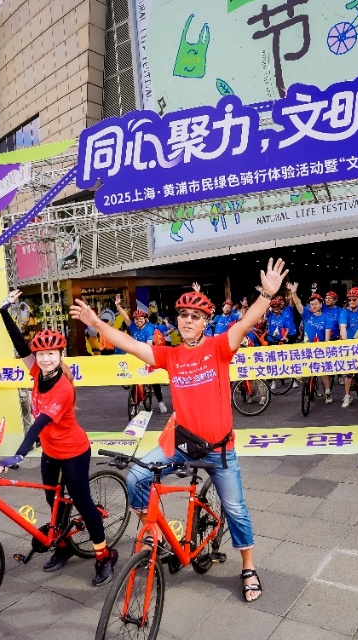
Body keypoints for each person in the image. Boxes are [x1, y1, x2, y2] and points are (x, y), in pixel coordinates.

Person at [70, 258, 291, 603]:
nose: (188, 320)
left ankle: (248, 566)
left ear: (205, 322)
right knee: (135, 478)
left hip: (219, 450)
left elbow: (247, 322)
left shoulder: (218, 348)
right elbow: (130, 344)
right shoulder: (170, 356)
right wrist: (97, 322)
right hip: (181, 444)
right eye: (183, 315)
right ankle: (155, 533)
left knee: (235, 510)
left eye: (195, 316)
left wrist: (266, 294)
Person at [0, 289, 118, 584]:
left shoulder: (63, 388)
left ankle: (104, 555)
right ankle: (63, 547)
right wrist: (4, 312)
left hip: (74, 450)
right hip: (51, 450)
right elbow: (20, 345)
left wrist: (19, 453)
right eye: (41, 354)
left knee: (82, 502)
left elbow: (38, 423)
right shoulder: (36, 372)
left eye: (51, 353)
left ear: (61, 355)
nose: (45, 358)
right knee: (54, 502)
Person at [115, 296, 169, 414]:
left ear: (145, 319)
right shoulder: (133, 327)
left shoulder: (149, 329)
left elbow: (148, 345)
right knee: (135, 379)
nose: (138, 321)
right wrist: (118, 305)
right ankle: (135, 403)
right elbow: (125, 316)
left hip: (147, 353)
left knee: (153, 380)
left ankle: (161, 402)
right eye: (136, 319)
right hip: (135, 354)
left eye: (141, 319)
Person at [289, 287, 334, 403]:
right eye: (311, 304)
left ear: (321, 305)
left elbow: (327, 337)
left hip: (320, 349)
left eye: (315, 304)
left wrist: (325, 348)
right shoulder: (307, 314)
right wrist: (293, 293)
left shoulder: (326, 319)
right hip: (307, 347)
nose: (313, 306)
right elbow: (298, 303)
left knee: (324, 373)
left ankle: (328, 393)